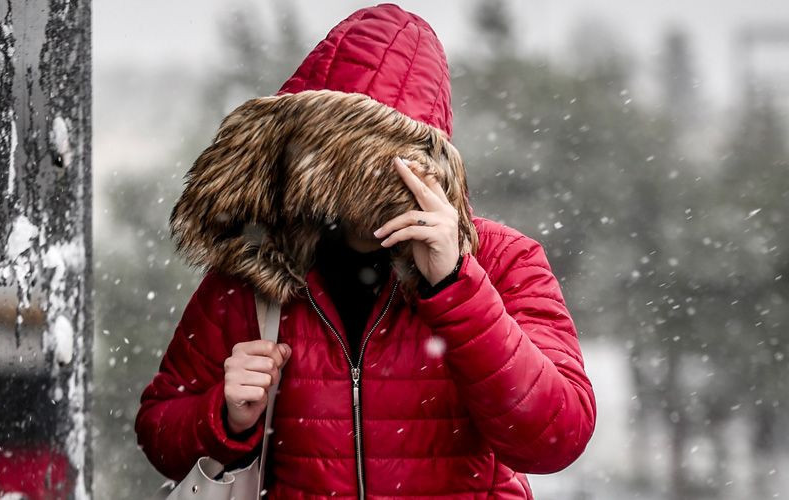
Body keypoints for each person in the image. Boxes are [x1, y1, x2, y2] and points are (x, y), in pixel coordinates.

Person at [134, 3, 596, 498]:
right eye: (335, 152)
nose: (355, 177)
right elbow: (159, 433)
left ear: (424, 159)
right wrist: (224, 417)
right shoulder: (257, 270)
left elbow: (555, 437)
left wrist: (457, 286)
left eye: (373, 156)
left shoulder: (503, 261)